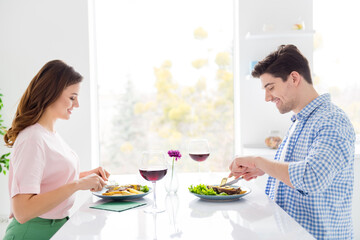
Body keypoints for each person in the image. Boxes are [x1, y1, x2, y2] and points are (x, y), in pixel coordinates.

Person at [228, 45, 355, 239]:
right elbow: (294, 191)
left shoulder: (332, 121)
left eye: (270, 87)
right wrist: (259, 212)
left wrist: (258, 161)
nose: (267, 97)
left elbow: (312, 178)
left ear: (294, 78)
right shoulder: (299, 122)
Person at [3, 60, 110, 240]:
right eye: (72, 97)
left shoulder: (48, 134)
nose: (76, 105)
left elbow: (48, 182)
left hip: (54, 229)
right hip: (31, 233)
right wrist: (77, 185)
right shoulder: (32, 138)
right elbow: (22, 211)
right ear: (51, 93)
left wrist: (85, 177)